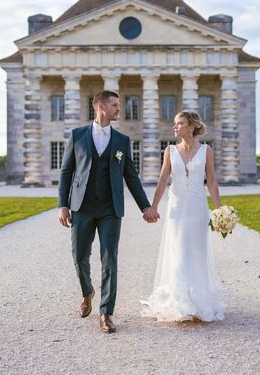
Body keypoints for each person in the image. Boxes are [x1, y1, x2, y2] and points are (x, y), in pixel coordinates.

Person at [58, 90, 159, 333]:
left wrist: (145, 206)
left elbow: (131, 177)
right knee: (79, 255)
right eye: (115, 105)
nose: (119, 109)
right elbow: (66, 172)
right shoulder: (77, 135)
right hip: (81, 206)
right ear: (101, 107)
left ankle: (106, 312)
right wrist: (62, 204)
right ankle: (87, 291)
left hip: (111, 208)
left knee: (109, 259)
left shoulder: (122, 141)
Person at [141, 110, 226, 322]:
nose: (175, 127)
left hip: (197, 208)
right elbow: (162, 181)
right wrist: (153, 206)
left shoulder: (206, 150)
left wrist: (219, 209)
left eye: (179, 123)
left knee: (196, 252)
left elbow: (212, 181)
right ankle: (180, 303)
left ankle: (198, 301)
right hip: (176, 208)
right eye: (175, 124)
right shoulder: (170, 150)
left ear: (191, 126)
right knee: (178, 252)